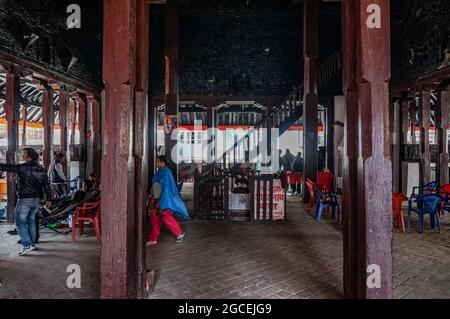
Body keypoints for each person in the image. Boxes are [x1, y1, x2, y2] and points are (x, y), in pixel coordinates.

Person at [0, 148, 52, 256]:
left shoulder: (23, 167)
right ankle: (31, 244)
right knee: (31, 222)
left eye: (23, 154)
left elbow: (6, 167)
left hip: (25, 200)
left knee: (19, 222)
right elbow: (47, 186)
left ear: (28, 155)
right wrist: (48, 199)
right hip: (37, 200)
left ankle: (27, 244)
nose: (22, 155)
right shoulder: (41, 169)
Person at [147, 155, 188, 245]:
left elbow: (167, 187)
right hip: (156, 197)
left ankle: (179, 233)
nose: (156, 163)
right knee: (155, 217)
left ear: (163, 162)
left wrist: (160, 198)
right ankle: (153, 238)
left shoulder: (166, 173)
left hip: (163, 198)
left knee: (165, 216)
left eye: (158, 161)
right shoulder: (162, 171)